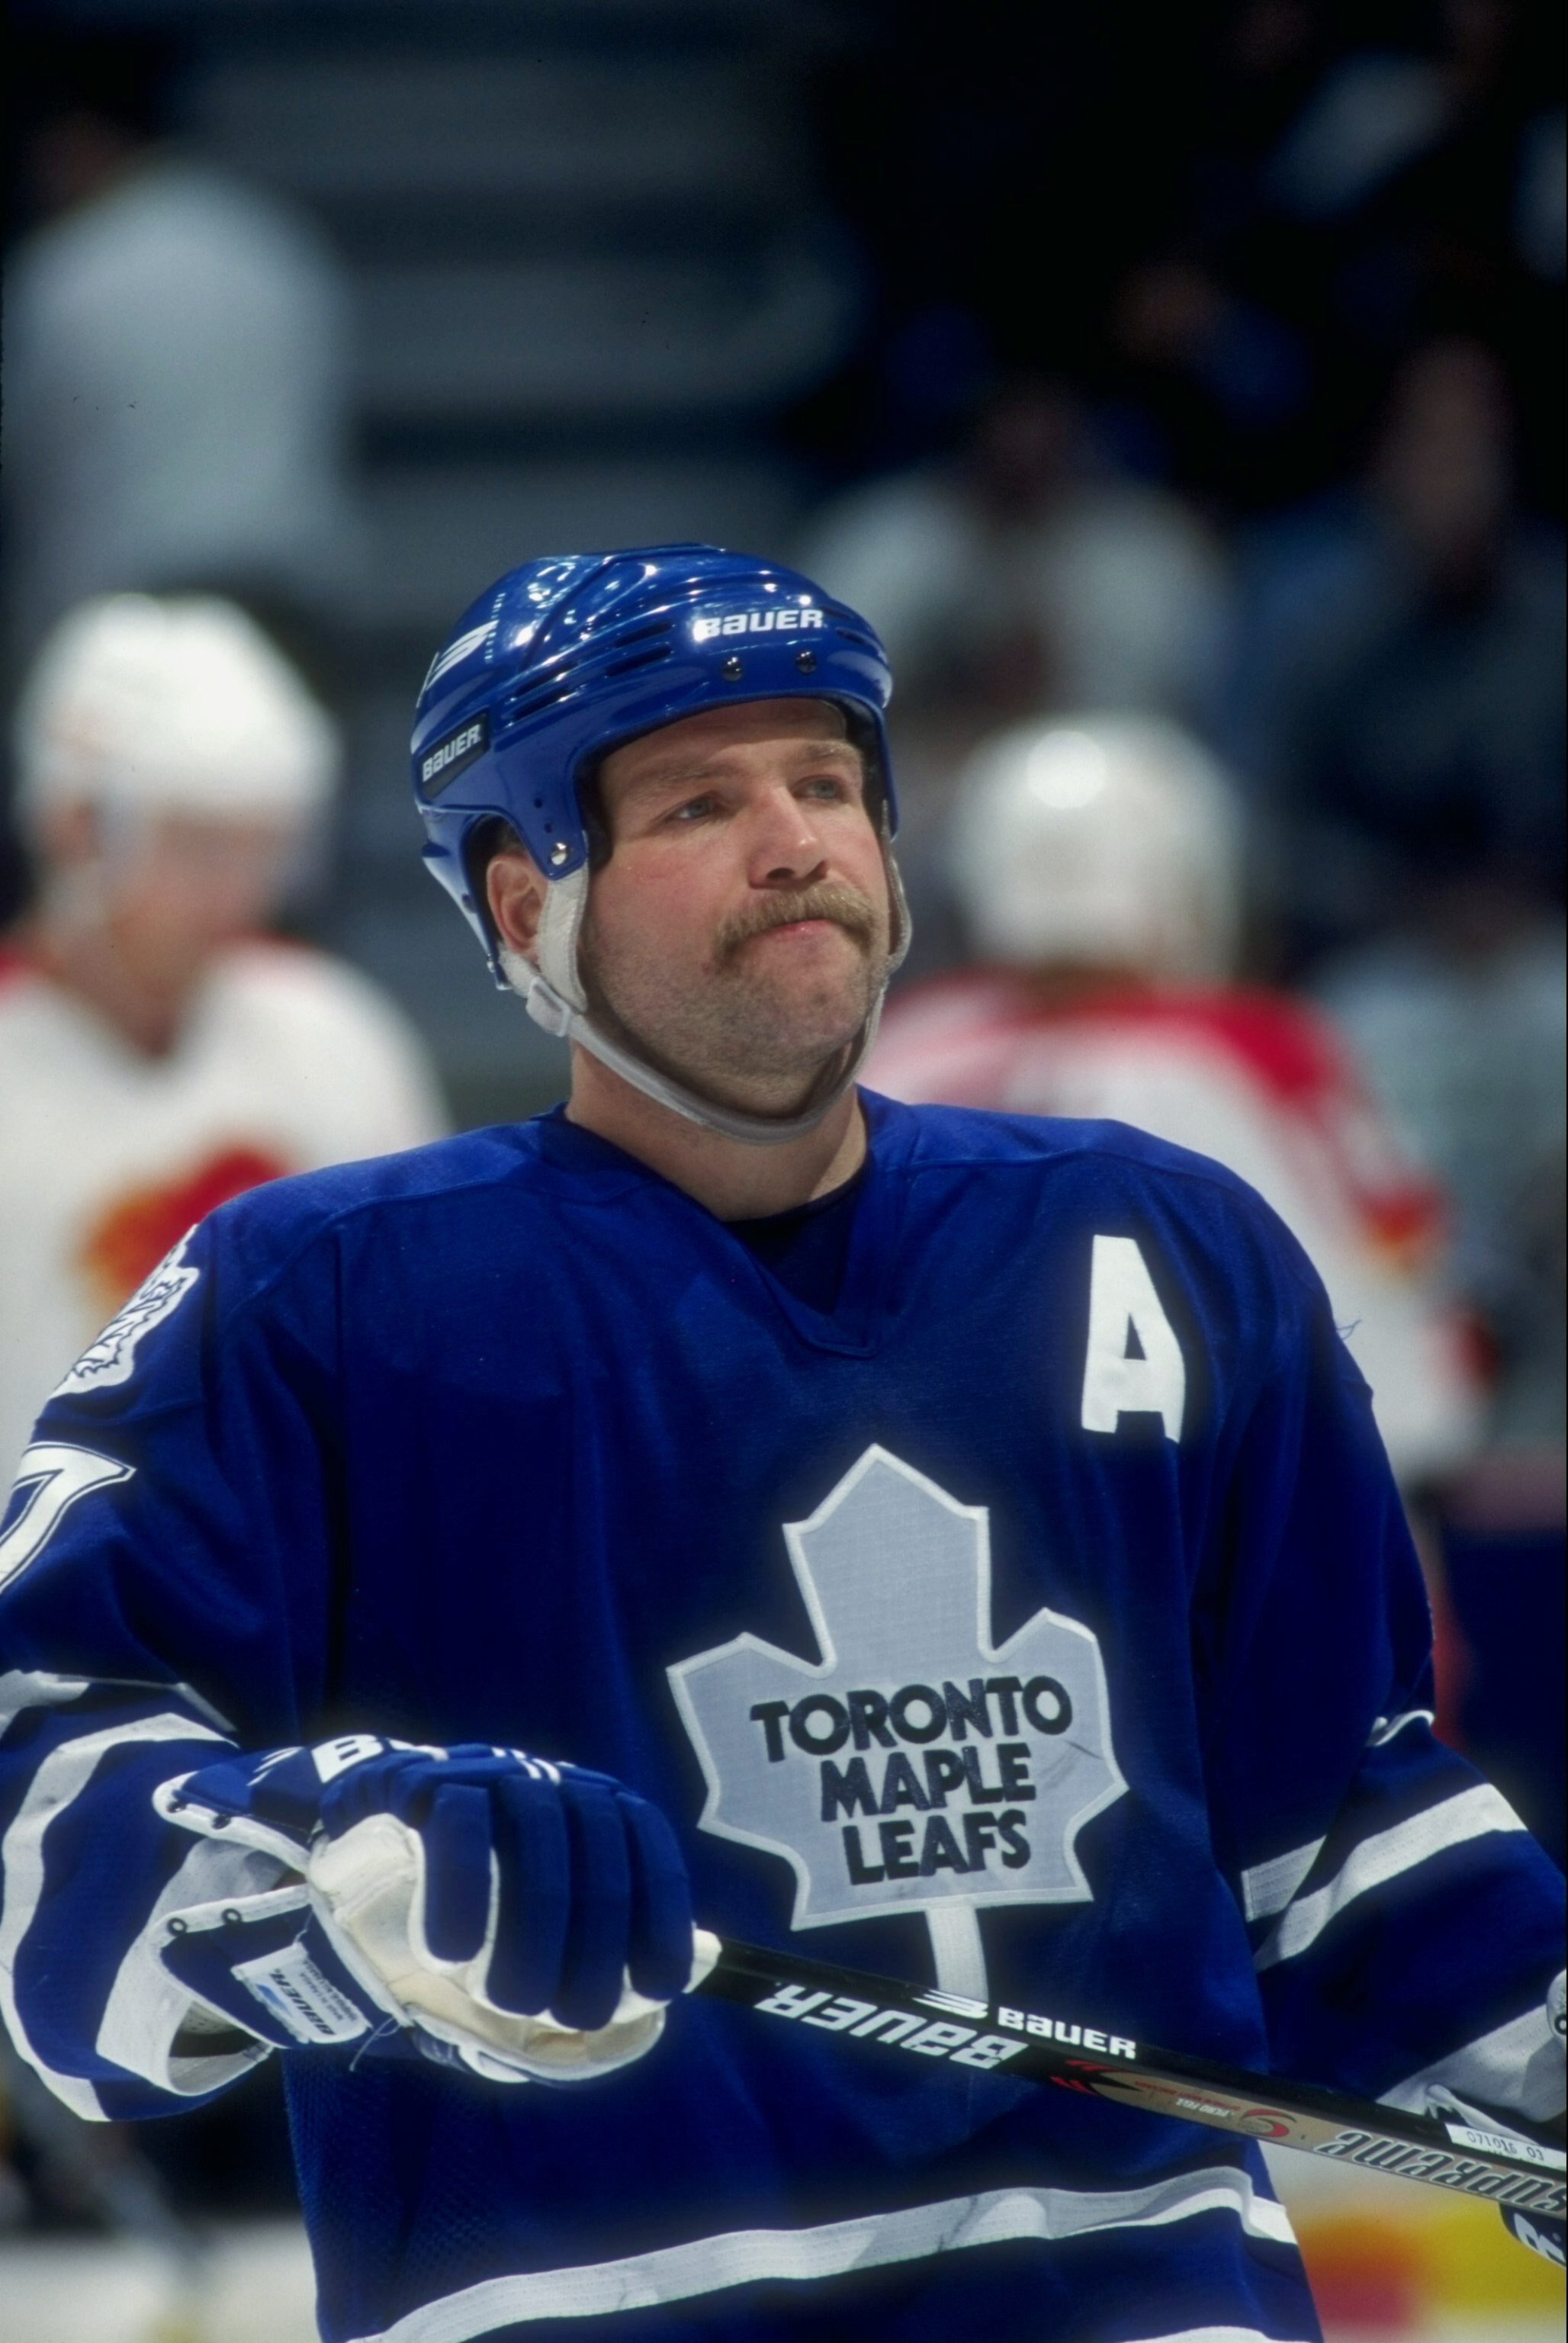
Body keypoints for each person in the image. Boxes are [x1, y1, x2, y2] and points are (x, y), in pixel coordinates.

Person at [0, 547, 1559, 2343]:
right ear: (523, 907)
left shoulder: (1160, 1243)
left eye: (827, 781)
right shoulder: (311, 1301)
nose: (794, 837)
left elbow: (1334, 1807)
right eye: (695, 798)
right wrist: (323, 1878)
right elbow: (42, 1837)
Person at [864, 714, 1484, 1494]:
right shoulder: (1252, 1052)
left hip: (973, 1511)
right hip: (1253, 1513)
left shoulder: (903, 1051)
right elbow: (1399, 1272)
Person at [0, 593, 447, 1477]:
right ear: (78, 827)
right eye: (202, 849)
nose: (240, 895)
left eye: (265, 851)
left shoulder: (334, 1032)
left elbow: (419, 1337)